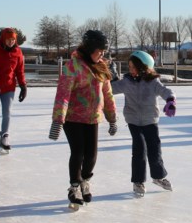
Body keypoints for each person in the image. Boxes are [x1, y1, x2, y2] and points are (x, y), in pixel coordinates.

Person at [49, 30, 117, 210]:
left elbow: (107, 95)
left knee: (92, 156)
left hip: (93, 118)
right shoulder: (73, 67)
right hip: (73, 118)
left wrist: (112, 118)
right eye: (99, 50)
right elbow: (63, 94)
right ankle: (74, 187)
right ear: (89, 49)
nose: (102, 54)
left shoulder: (101, 67)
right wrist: (58, 120)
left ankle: (85, 181)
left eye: (104, 51)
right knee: (78, 152)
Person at [110, 50, 176, 198]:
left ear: (143, 67)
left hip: (150, 120)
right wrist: (110, 77)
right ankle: (138, 181)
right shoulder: (126, 82)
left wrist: (171, 101)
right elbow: (110, 89)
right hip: (133, 120)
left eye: (133, 67)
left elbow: (165, 91)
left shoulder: (153, 82)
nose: (130, 70)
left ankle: (158, 177)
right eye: (129, 67)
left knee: (154, 149)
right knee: (139, 148)